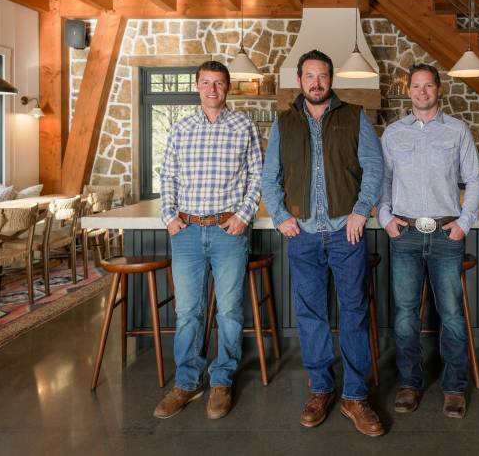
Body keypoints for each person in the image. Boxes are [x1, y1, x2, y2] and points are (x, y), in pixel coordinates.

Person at [261, 50, 385, 437]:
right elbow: (269, 178)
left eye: (323, 76)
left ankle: (354, 395)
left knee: (353, 312)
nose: (316, 82)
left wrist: (362, 211)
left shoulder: (354, 117)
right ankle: (320, 389)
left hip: (346, 233)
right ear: (299, 80)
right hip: (303, 236)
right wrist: (281, 217)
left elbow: (374, 169)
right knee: (311, 315)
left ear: (331, 80)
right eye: (310, 76)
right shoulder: (283, 123)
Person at [154, 60, 262, 420]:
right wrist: (169, 216)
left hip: (227, 232)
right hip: (185, 232)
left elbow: (257, 177)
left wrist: (242, 216)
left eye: (218, 83)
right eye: (206, 83)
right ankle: (186, 382)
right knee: (188, 312)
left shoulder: (243, 126)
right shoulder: (181, 128)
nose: (212, 89)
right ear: (197, 86)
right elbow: (167, 176)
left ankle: (222, 380)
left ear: (227, 88)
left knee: (230, 311)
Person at [378, 63, 479, 419]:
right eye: (416, 86)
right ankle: (409, 384)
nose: (422, 92)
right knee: (406, 315)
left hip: (445, 233)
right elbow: (382, 181)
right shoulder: (393, 133)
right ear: (409, 91)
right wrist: (386, 219)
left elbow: (475, 182)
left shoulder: (457, 131)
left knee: (451, 315)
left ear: (439, 90)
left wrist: (464, 224)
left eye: (428, 86)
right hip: (404, 234)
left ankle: (454, 388)